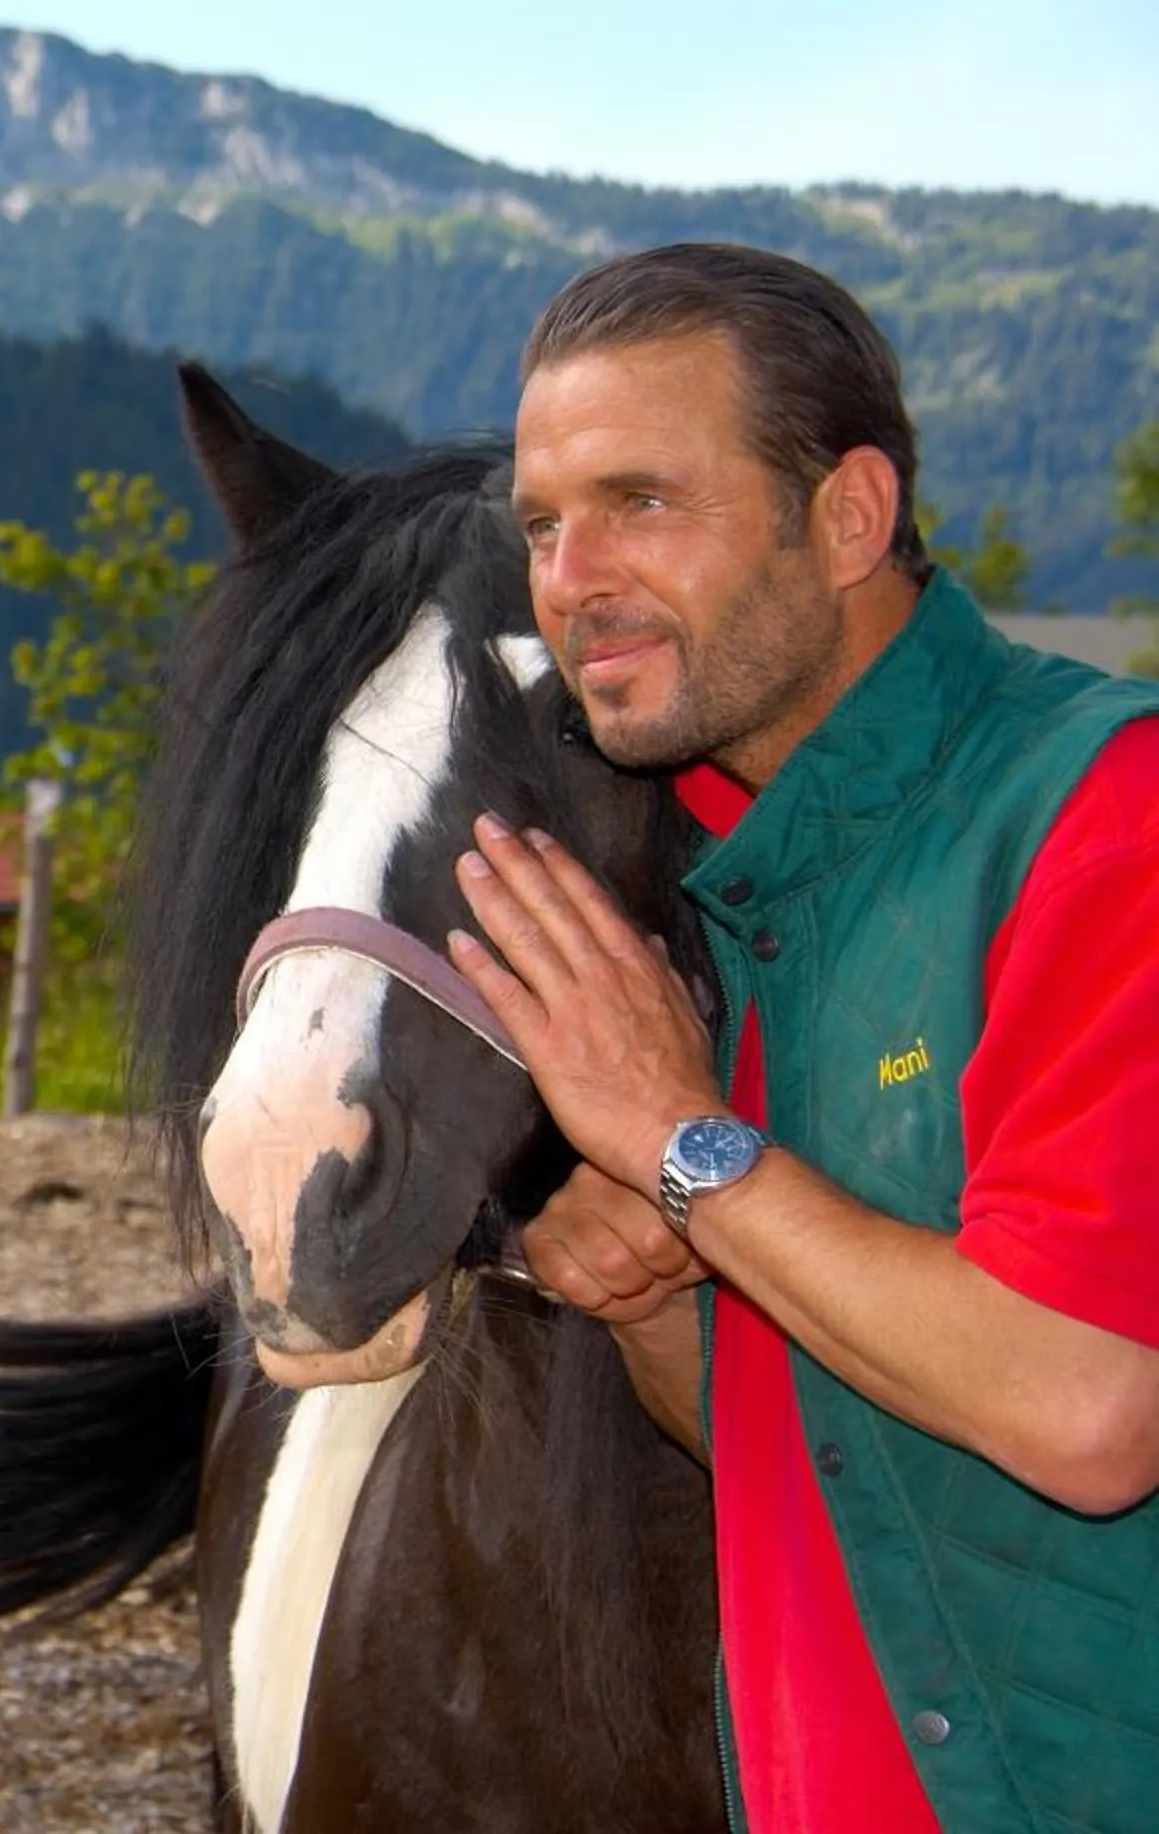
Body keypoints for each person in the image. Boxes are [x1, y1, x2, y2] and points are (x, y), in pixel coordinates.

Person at [442, 242, 1159, 1834]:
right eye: (543, 525)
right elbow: (828, 1440)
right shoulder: (726, 872)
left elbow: (1092, 1407)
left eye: (640, 500)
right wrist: (654, 1294)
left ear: (849, 516)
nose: (570, 580)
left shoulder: (1105, 819)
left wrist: (680, 1141)